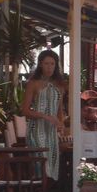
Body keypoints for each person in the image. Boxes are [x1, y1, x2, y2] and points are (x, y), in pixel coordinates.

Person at [22, 49, 67, 181]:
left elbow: (59, 110)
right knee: (40, 165)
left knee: (52, 166)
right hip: (36, 130)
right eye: (46, 63)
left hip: (51, 132)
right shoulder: (33, 83)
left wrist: (61, 124)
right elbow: (25, 110)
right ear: (40, 64)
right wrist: (45, 116)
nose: (49, 67)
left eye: (52, 64)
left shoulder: (59, 85)